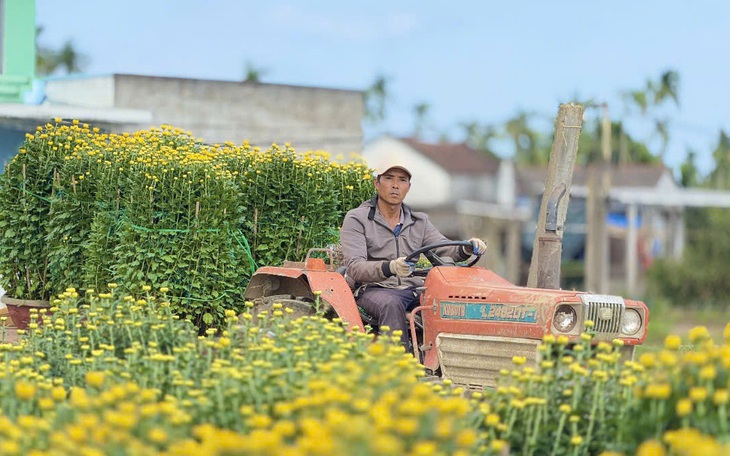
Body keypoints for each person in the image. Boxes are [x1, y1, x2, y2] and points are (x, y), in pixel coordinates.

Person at [339, 161, 487, 348]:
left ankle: (450, 357)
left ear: (408, 187)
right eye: (389, 179)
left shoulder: (419, 221)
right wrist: (390, 267)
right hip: (375, 288)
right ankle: (398, 363)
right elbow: (355, 267)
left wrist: (468, 247)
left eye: (402, 180)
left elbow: (443, 247)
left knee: (451, 299)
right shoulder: (357, 218)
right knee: (390, 304)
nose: (395, 185)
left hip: (412, 289)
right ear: (377, 183)